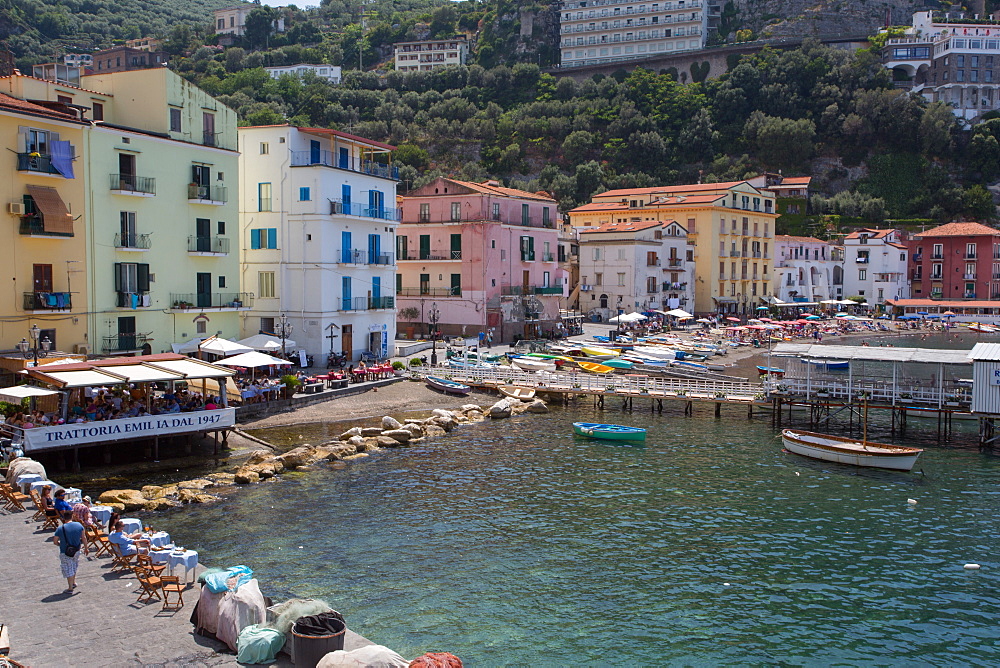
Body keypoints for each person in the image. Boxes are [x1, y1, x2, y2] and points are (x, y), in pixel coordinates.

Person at [53, 511, 88, 593]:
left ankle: (70, 587)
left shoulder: (60, 528)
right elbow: (84, 538)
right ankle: (74, 582)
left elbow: (55, 541)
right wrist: (86, 548)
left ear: (64, 518)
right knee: (74, 565)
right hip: (76, 550)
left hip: (65, 551)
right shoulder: (79, 525)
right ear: (72, 516)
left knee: (68, 568)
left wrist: (60, 545)